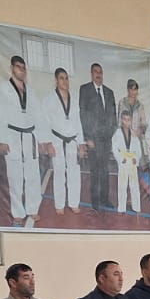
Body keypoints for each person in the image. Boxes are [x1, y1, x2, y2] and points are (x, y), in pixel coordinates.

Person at [0, 54, 44, 228]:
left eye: (23, 68)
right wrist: (1, 139)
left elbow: (38, 116)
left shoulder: (31, 92)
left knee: (33, 175)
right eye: (18, 67)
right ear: (12, 68)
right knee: (15, 176)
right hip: (12, 135)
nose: (22, 70)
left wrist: (42, 139)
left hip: (30, 136)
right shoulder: (3, 89)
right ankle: (18, 213)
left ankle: (32, 208)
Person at [43, 67, 83, 214]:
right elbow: (45, 122)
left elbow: (78, 122)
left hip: (72, 140)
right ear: (56, 80)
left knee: (74, 172)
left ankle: (74, 203)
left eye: (66, 78)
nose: (65, 81)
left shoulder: (75, 99)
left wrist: (81, 143)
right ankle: (59, 205)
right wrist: (48, 143)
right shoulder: (49, 99)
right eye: (61, 78)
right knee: (59, 172)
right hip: (57, 140)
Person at [79, 63, 118, 211]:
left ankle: (105, 199)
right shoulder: (85, 90)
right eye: (95, 72)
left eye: (100, 72)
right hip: (93, 140)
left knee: (105, 171)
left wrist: (110, 134)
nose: (98, 74)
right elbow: (83, 114)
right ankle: (95, 201)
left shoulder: (109, 92)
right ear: (91, 74)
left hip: (106, 140)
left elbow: (113, 116)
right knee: (95, 171)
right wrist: (87, 138)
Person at [111, 109, 143, 214]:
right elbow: (114, 148)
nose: (126, 122)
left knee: (134, 185)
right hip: (124, 161)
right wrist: (120, 158)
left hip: (132, 161)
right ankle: (121, 208)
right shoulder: (117, 133)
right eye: (124, 119)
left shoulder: (133, 133)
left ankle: (136, 207)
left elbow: (138, 148)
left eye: (128, 119)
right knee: (122, 184)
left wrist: (136, 158)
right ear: (121, 120)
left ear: (131, 120)